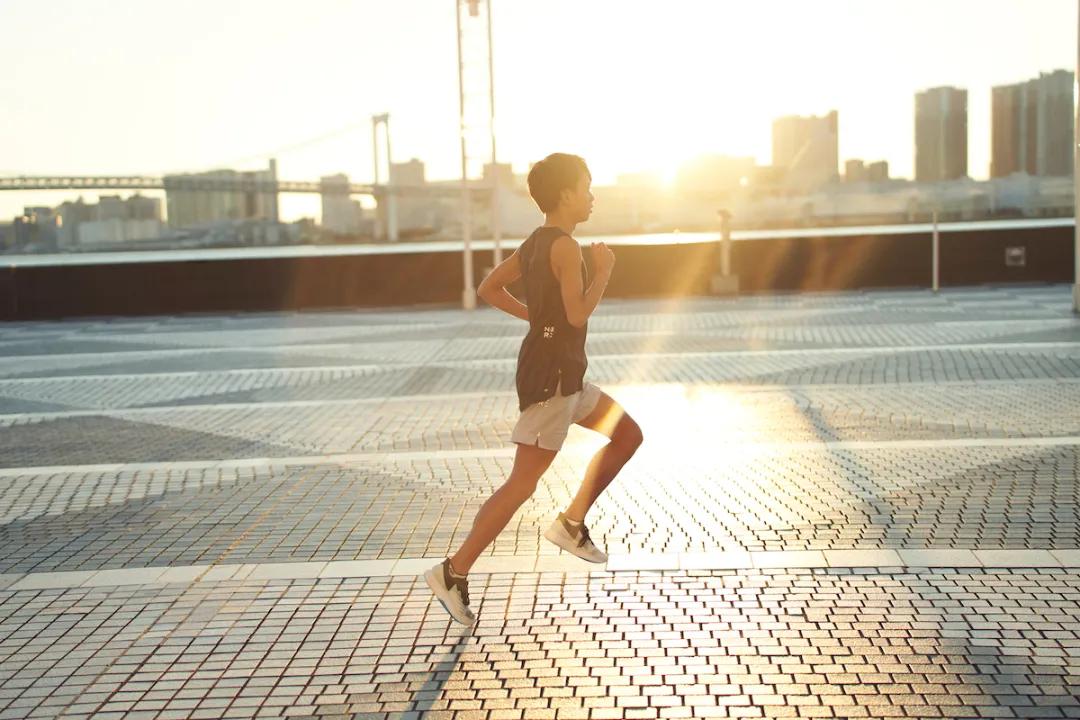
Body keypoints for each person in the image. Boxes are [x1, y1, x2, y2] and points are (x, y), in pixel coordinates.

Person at [423, 153, 644, 626]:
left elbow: (488, 287)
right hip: (552, 382)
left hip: (566, 375)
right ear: (565, 194)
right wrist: (602, 270)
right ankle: (453, 571)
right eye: (586, 185)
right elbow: (577, 314)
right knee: (522, 483)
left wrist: (540, 321)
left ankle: (570, 523)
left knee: (628, 435)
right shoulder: (564, 247)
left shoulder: (534, 243)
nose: (591, 195)